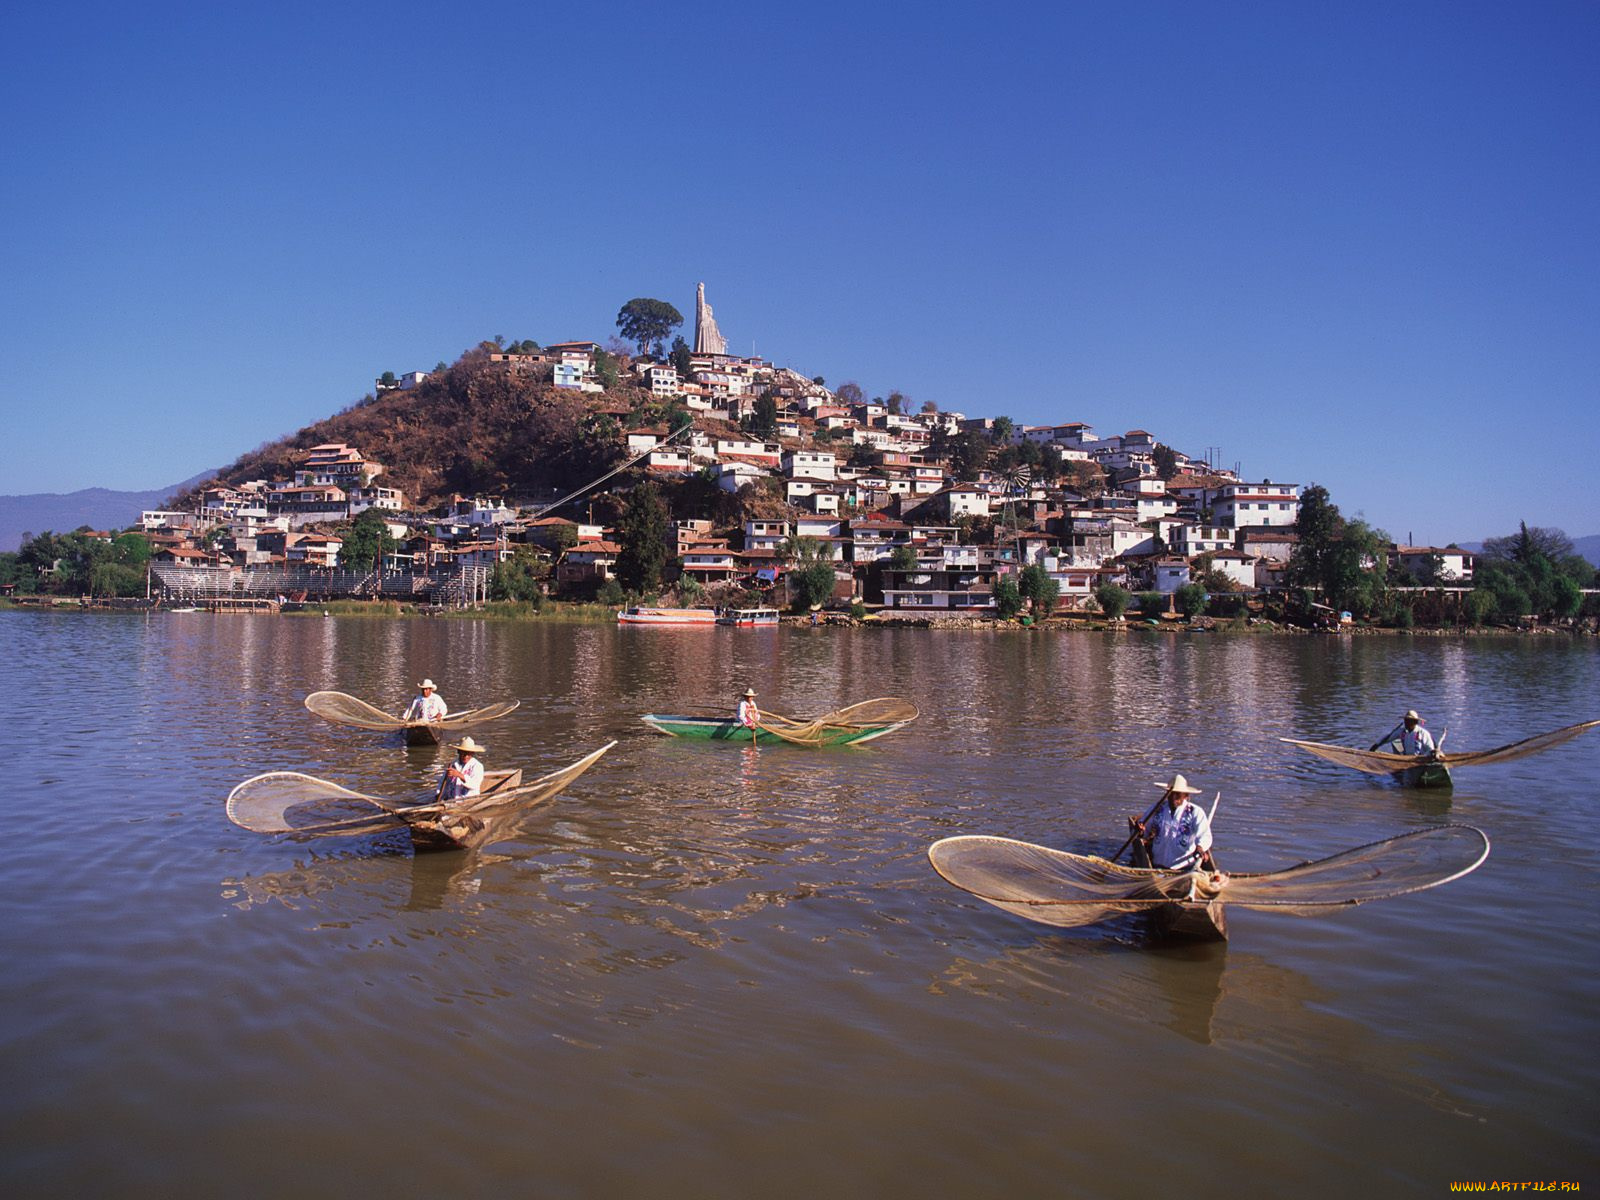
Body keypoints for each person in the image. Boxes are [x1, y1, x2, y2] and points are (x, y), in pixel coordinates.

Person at [1129, 774, 1214, 871]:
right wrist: (1140, 831)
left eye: (1178, 794)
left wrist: (1200, 847)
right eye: (1171, 793)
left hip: (1185, 867)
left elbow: (1205, 835)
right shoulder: (1157, 808)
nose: (1173, 797)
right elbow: (1142, 830)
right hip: (1159, 864)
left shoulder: (1195, 812)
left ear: (1186, 795)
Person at [440, 736, 486, 802]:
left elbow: (475, 785)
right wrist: (439, 795)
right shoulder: (452, 764)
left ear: (472, 753)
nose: (466, 756)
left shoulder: (477, 766)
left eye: (468, 754)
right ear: (458, 752)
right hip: (451, 800)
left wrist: (459, 775)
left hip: (469, 801)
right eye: (463, 753)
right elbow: (442, 782)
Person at [1371, 709, 1436, 756]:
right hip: (1407, 759)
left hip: (1421, 759)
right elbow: (1388, 738)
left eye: (1408, 721)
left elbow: (1430, 749)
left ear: (1415, 722)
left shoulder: (1423, 733)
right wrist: (1376, 745)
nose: (1406, 723)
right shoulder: (1402, 731)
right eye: (1405, 720)